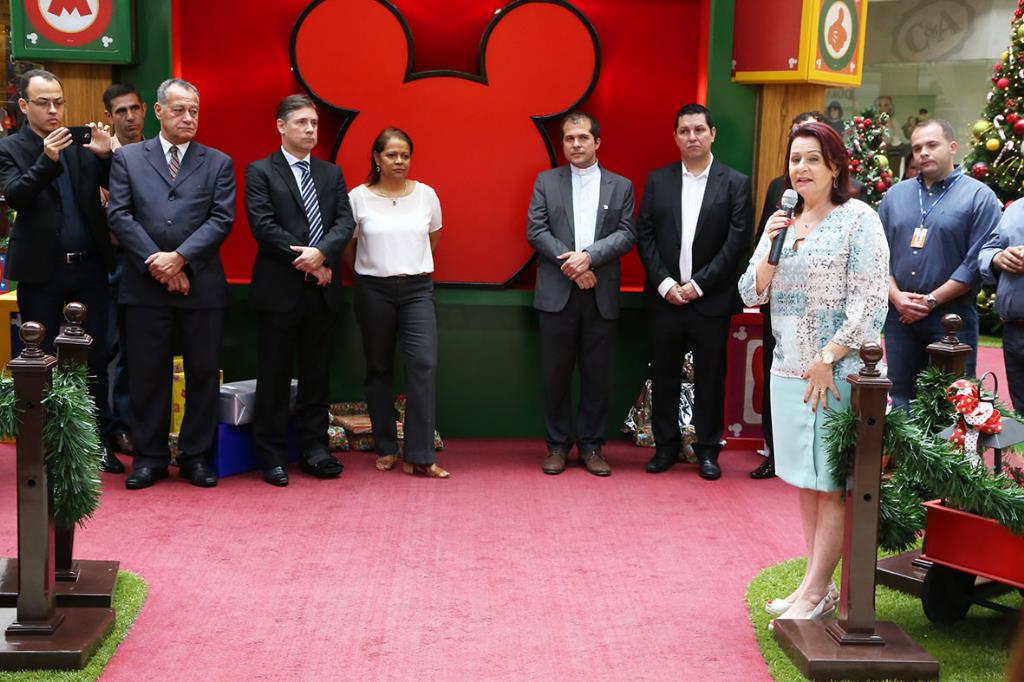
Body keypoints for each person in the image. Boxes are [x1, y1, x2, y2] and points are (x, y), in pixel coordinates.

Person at [738, 121, 889, 622]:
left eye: (812, 159)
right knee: (808, 481)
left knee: (832, 484)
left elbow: (870, 302)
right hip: (788, 371)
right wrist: (771, 251)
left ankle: (817, 590)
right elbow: (750, 291)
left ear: (835, 166)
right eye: (795, 159)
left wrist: (828, 357)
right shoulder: (782, 221)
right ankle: (813, 586)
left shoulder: (858, 219)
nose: (800, 169)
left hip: (837, 374)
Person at [107, 78, 235, 489]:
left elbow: (221, 219)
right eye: (179, 109)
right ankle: (150, 458)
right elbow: (119, 215)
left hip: (201, 286)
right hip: (145, 287)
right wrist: (158, 263)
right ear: (159, 111)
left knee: (202, 374)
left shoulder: (218, 162)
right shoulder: (128, 158)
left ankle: (196, 456)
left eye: (194, 110)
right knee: (147, 374)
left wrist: (180, 259)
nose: (188, 118)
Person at [0, 69, 117, 468]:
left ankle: (97, 441)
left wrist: (105, 156)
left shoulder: (77, 143)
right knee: (43, 359)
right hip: (41, 271)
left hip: (89, 266)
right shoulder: (10, 147)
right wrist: (47, 159)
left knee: (96, 356)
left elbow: (115, 187)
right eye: (43, 103)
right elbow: (16, 196)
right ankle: (50, 448)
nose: (53, 110)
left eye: (58, 102)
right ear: (24, 106)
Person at [636, 103, 753, 479]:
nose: (692, 137)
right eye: (684, 131)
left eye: (699, 130)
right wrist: (666, 284)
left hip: (711, 299)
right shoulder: (658, 180)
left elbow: (737, 242)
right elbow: (645, 235)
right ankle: (665, 447)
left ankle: (707, 450)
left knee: (710, 378)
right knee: (664, 375)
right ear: (675, 137)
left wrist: (699, 285)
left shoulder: (735, 182)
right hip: (665, 299)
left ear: (712, 134)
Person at [245, 94, 355, 486]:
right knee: (274, 377)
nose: (310, 130)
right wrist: (309, 259)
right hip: (280, 290)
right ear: (281, 126)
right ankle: (272, 456)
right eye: (302, 123)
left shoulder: (330, 173)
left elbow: (344, 222)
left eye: (314, 123)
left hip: (322, 292)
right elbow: (263, 226)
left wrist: (322, 254)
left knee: (316, 376)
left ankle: (315, 450)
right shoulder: (260, 171)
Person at [526, 111, 636, 476]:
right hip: (557, 293)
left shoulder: (621, 185)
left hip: (600, 295)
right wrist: (574, 267)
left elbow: (626, 234)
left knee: (596, 375)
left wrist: (589, 257)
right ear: (563, 143)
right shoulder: (546, 181)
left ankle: (591, 447)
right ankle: (557, 446)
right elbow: (536, 230)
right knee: (555, 375)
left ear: (597, 142)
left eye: (583, 137)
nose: (576, 144)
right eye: (569, 138)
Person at [343, 127, 448, 478]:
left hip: (417, 288)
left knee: (424, 364)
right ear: (377, 158)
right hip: (373, 289)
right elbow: (347, 246)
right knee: (379, 367)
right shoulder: (357, 197)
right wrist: (374, 269)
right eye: (392, 155)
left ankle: (420, 454)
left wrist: (407, 264)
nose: (399, 161)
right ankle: (386, 447)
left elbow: (432, 239)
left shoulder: (426, 195)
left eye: (405, 155)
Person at [878, 119, 1002, 408]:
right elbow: (879, 255)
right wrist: (896, 297)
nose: (923, 152)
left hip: (952, 317)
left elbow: (976, 262)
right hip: (900, 316)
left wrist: (930, 301)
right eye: (917, 148)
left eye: (932, 145)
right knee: (900, 399)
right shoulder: (895, 196)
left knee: (953, 403)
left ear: (953, 147)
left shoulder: (979, 196)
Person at [750, 110, 825, 480]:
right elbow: (763, 241)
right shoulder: (779, 189)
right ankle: (774, 452)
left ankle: (818, 458)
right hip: (780, 308)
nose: (802, 164)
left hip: (824, 314)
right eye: (796, 145)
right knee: (774, 378)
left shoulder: (850, 200)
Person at [99, 82, 149, 472]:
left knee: (136, 349)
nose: (129, 117)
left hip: (150, 262)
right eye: (121, 112)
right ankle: (105, 429)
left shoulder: (158, 153)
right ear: (109, 117)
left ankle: (129, 424)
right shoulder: (100, 157)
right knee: (106, 348)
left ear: (145, 110)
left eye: (134, 109)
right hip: (108, 262)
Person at [979, 199, 1024, 414]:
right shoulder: (1015, 209)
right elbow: (988, 249)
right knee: (1021, 412)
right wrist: (999, 257)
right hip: (1015, 330)